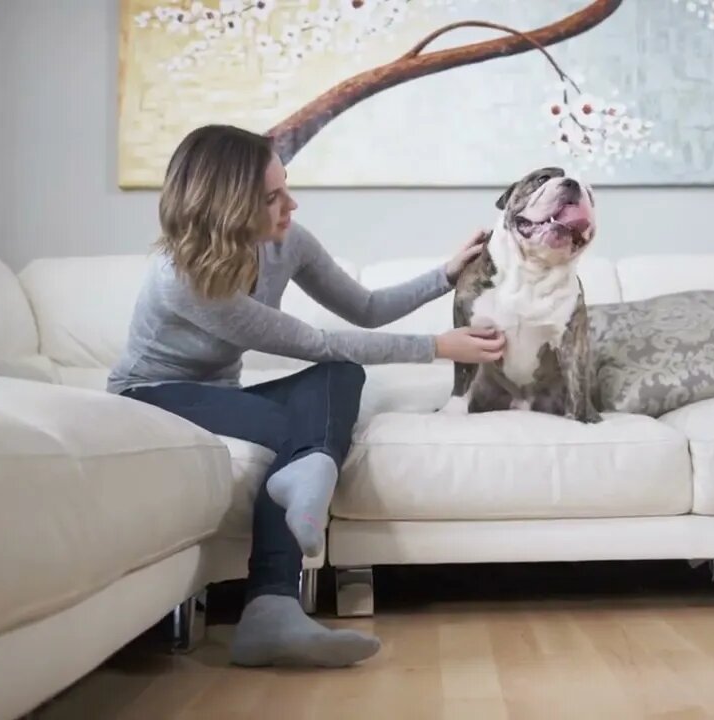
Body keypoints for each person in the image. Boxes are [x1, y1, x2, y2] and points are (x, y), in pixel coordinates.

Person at [106, 124, 504, 668]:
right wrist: (437, 346)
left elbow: (364, 309)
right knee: (300, 431)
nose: (291, 204)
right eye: (272, 197)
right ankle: (274, 602)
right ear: (226, 208)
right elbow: (312, 340)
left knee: (339, 378)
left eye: (285, 185)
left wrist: (445, 275)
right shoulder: (183, 277)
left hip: (220, 392)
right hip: (152, 394)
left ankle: (273, 613)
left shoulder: (289, 242)